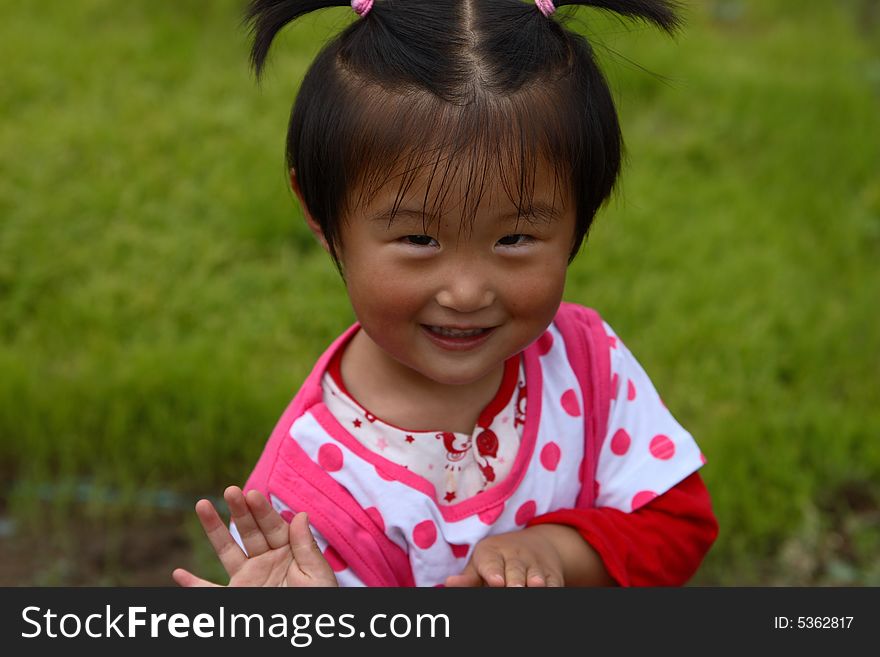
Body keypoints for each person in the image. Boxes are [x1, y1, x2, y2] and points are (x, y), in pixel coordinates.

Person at [172, 0, 718, 588]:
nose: (465, 292)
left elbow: (679, 521)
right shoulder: (308, 498)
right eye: (418, 238)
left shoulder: (586, 362)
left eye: (514, 238)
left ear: (584, 211)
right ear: (321, 214)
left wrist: (555, 552)